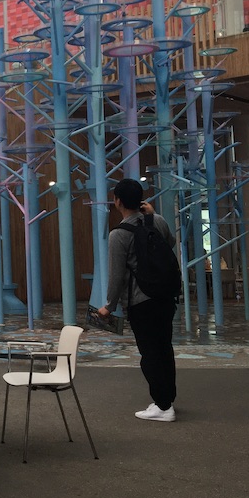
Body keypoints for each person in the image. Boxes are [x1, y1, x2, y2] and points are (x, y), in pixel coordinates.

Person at [98, 178, 178, 423]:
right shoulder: (157, 221)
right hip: (165, 297)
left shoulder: (119, 234)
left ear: (117, 201)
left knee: (149, 353)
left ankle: (163, 406)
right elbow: (171, 243)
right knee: (164, 349)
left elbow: (117, 275)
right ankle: (166, 399)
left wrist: (109, 306)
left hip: (140, 301)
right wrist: (152, 216)